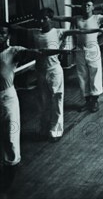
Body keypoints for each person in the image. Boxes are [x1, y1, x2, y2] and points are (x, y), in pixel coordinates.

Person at [0, 23, 73, 193]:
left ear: (8, 36)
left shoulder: (14, 51)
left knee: (10, 134)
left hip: (7, 97)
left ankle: (11, 168)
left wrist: (60, 52)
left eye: (2, 33)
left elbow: (39, 52)